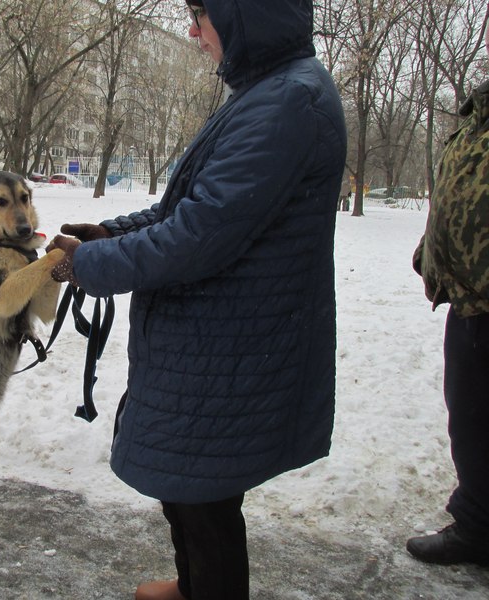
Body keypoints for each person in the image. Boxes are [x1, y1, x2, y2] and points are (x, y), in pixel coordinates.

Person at [47, 1, 346, 598]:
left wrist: (93, 265)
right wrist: (109, 234)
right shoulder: (267, 92)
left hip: (233, 345)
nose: (192, 32)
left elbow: (198, 235)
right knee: (189, 487)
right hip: (215, 340)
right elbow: (182, 209)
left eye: (201, 15)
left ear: (243, 15)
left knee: (202, 498)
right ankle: (194, 588)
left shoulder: (289, 101)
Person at [407, 11, 489, 568]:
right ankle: (479, 525)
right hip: (469, 307)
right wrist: (431, 251)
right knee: (473, 419)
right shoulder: (478, 113)